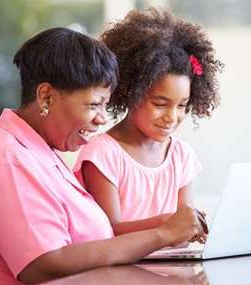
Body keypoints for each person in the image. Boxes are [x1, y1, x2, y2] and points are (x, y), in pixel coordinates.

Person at [0, 27, 205, 285]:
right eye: (94, 105)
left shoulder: (40, 152)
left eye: (105, 105)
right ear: (46, 96)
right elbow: (45, 263)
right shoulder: (9, 160)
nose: (102, 118)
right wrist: (162, 234)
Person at [73, 8, 223, 237]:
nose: (172, 117)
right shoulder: (102, 156)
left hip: (174, 270)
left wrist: (193, 227)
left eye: (182, 105)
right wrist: (165, 222)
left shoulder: (180, 155)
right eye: (160, 104)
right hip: (119, 271)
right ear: (131, 92)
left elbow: (182, 228)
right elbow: (107, 233)